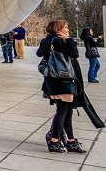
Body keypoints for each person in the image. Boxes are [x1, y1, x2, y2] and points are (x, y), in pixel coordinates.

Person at [37, 20, 91, 153]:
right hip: (64, 81)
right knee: (62, 112)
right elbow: (75, 54)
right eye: (66, 27)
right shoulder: (59, 41)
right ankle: (54, 140)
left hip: (53, 81)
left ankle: (70, 141)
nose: (68, 29)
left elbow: (39, 54)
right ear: (58, 29)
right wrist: (69, 40)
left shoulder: (47, 41)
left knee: (67, 112)